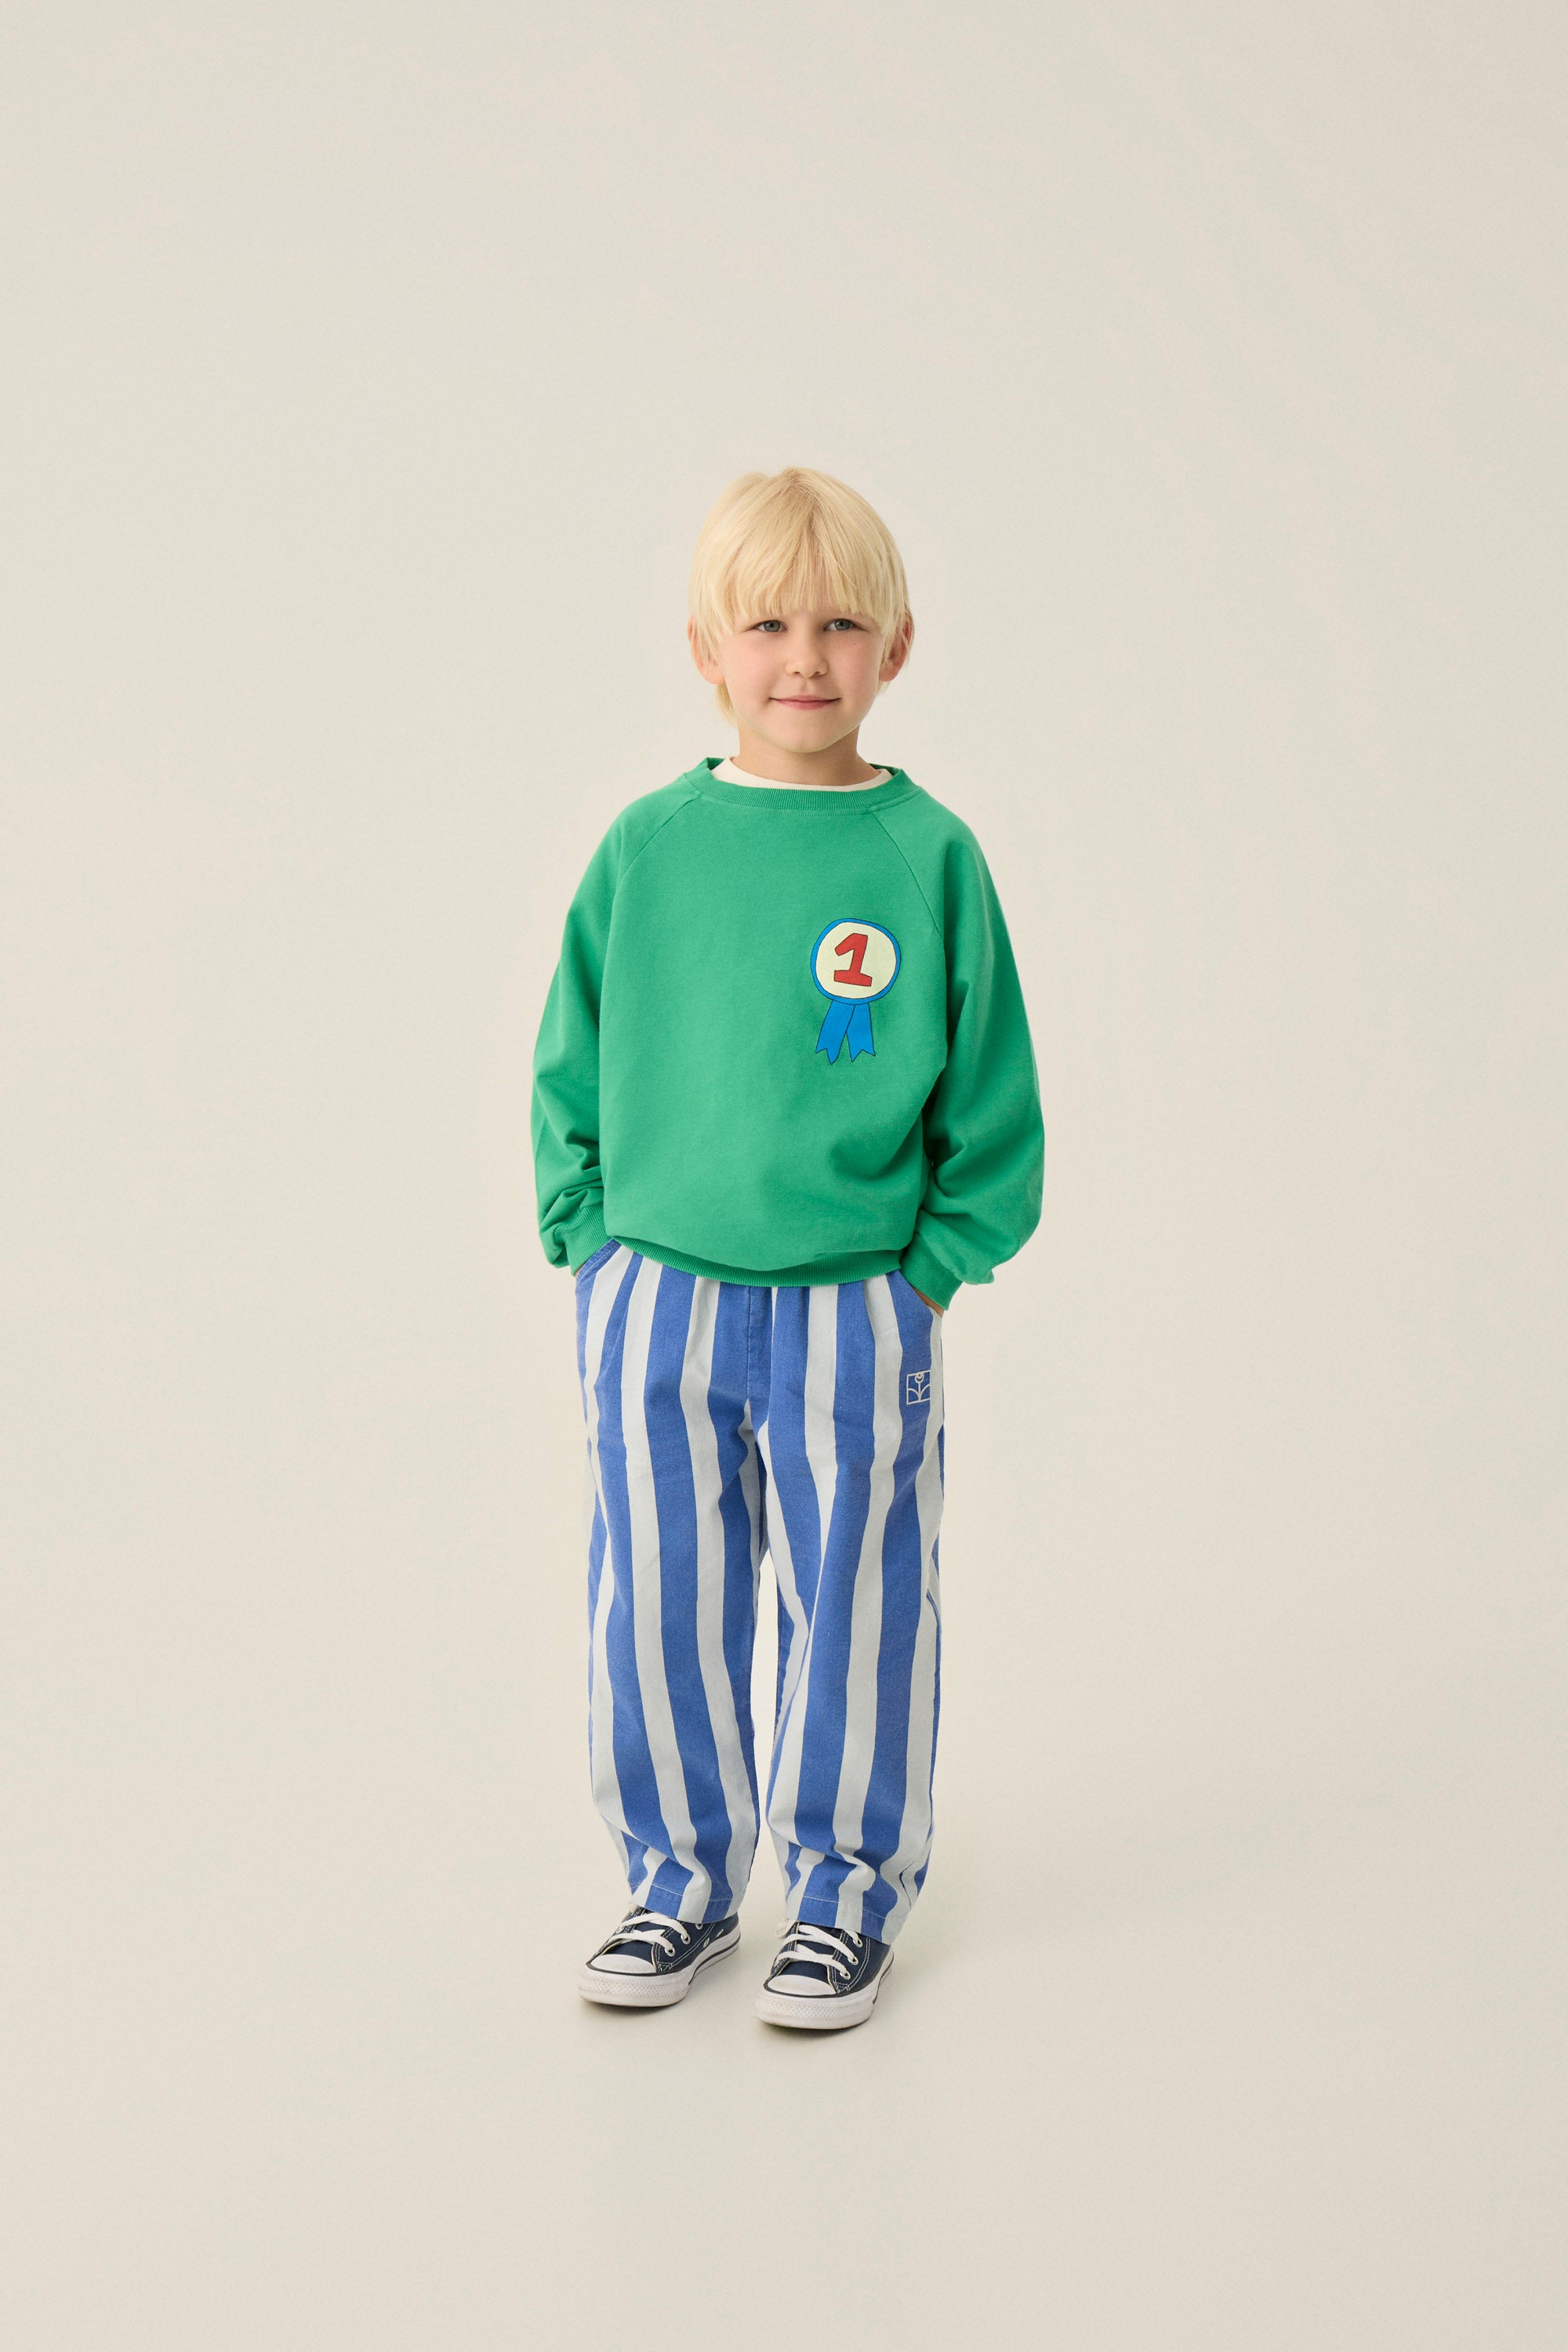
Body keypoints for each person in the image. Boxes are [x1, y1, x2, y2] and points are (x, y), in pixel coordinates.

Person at [531, 466, 1043, 2030]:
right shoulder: (649, 846)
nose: (803, 658)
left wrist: (927, 1269)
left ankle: (842, 1895)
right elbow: (570, 1059)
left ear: (898, 644)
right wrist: (591, 1244)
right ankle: (678, 1882)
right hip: (657, 1300)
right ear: (706, 648)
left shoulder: (926, 854)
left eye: (839, 625)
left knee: (858, 1604)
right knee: (659, 1602)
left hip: (853, 1309)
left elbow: (992, 1096)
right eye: (765, 626)